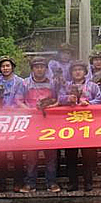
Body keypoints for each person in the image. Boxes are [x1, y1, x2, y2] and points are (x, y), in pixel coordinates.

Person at [59, 60, 101, 191]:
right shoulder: (66, 86)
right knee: (70, 155)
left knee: (88, 155)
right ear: (71, 73)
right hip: (70, 125)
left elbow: (100, 100)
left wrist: (89, 103)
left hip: (88, 124)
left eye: (80, 70)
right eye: (75, 70)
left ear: (85, 72)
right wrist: (68, 99)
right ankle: (73, 183)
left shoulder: (93, 86)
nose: (77, 72)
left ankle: (88, 182)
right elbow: (59, 98)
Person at [19, 56, 60, 193]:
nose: (39, 69)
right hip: (32, 123)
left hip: (49, 122)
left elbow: (58, 99)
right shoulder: (25, 83)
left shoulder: (53, 83)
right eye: (36, 67)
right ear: (32, 69)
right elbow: (19, 100)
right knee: (31, 155)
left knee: (51, 155)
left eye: (42, 67)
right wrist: (29, 110)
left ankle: (52, 182)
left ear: (46, 69)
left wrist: (51, 107)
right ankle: (30, 183)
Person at [0, 55, 25, 192]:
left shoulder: (20, 82)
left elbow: (21, 99)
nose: (5, 68)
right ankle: (1, 183)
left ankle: (19, 182)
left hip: (16, 119)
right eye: (2, 66)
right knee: (1, 154)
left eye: (7, 65)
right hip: (1, 120)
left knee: (18, 154)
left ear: (12, 67)